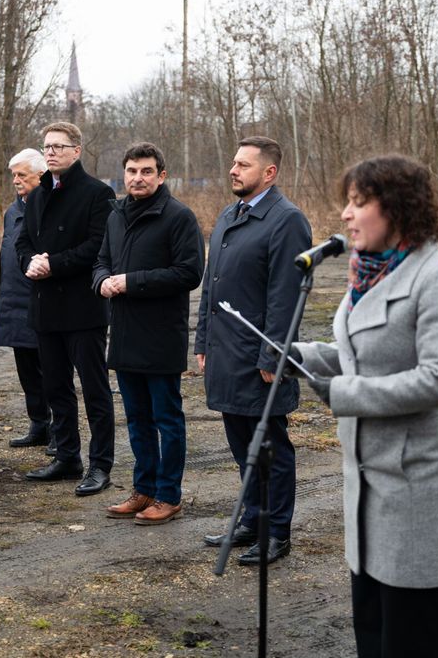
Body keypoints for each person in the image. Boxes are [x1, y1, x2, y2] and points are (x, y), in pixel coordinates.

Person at [287, 155, 438, 658]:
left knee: (416, 633)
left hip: (418, 477)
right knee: (373, 626)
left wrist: (344, 394)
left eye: (358, 202)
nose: (346, 215)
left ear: (395, 208)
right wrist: (299, 355)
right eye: (346, 203)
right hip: (367, 481)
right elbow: (359, 354)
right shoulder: (367, 273)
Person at [194, 136, 312, 565]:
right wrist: (203, 341)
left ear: (269, 172)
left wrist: (273, 357)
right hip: (226, 354)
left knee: (271, 450)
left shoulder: (287, 221)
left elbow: (286, 298)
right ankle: (252, 518)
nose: (233, 169)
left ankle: (276, 532)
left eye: (244, 165)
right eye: (233, 162)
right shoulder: (229, 215)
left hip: (260, 358)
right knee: (241, 444)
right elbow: (212, 288)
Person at [94, 143, 204, 525]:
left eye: (145, 171)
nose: (137, 178)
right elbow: (102, 260)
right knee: (137, 419)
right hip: (123, 335)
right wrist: (102, 282)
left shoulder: (178, 217)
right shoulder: (116, 215)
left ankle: (168, 495)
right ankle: (143, 490)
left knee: (166, 419)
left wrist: (131, 282)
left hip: (160, 336)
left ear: (161, 175)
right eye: (131, 171)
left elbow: (190, 273)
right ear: (123, 174)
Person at [16, 121, 116, 496]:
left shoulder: (97, 193)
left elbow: (98, 246)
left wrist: (52, 263)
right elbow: (22, 240)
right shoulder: (38, 194)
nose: (52, 152)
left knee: (94, 390)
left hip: (82, 309)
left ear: (77, 151)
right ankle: (67, 457)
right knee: (55, 387)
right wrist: (30, 262)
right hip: (44, 307)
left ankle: (100, 464)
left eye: (59, 146)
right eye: (47, 147)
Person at [0, 148, 53, 449]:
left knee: (52, 371)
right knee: (27, 370)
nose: (16, 180)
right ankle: (38, 425)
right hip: (15, 303)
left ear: (41, 176)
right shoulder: (12, 210)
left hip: (44, 302)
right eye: (13, 175)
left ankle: (59, 429)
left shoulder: (54, 207)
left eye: (22, 175)